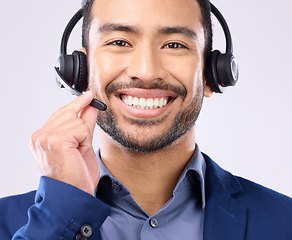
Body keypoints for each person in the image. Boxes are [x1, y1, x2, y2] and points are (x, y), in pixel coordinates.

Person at [0, 0, 292, 239]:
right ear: (80, 72)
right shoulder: (8, 223)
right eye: (119, 41)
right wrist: (60, 215)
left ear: (212, 74)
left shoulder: (284, 223)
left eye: (175, 45)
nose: (147, 71)